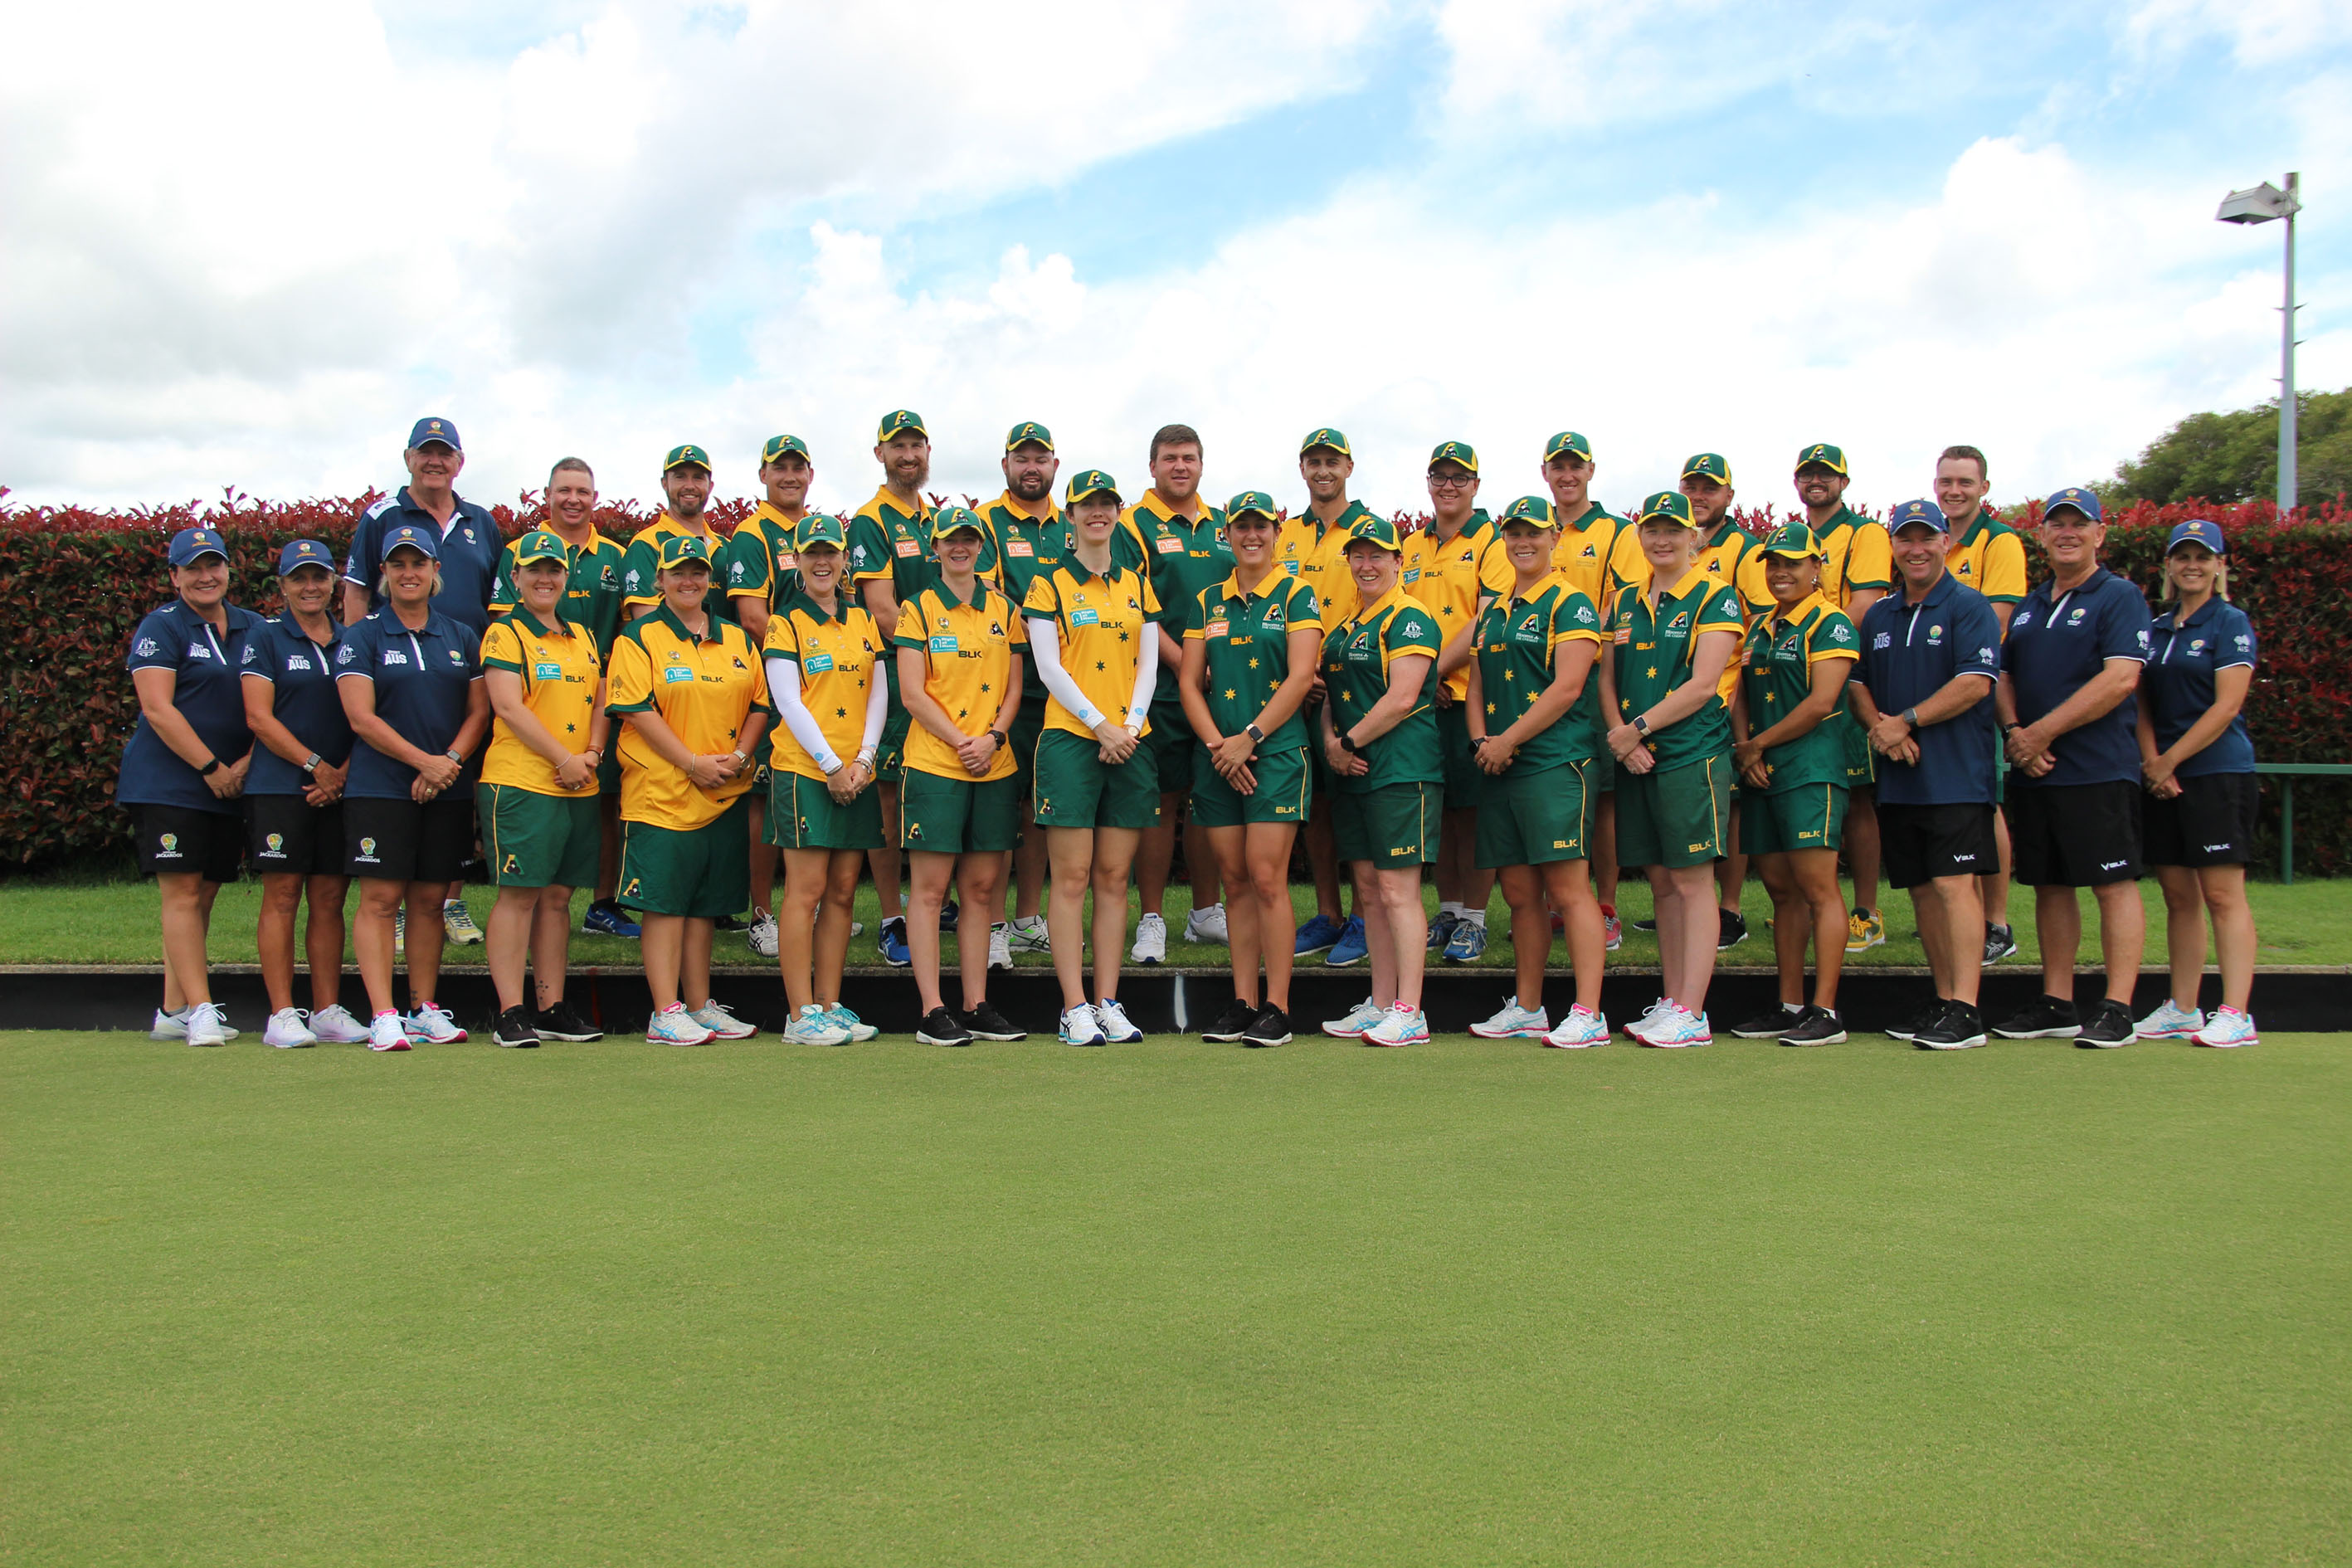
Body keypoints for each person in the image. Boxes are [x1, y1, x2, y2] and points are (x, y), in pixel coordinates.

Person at [1993, 488, 2153, 1048]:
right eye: (2056, 524)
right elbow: (2003, 674)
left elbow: (2119, 679)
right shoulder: (2033, 604)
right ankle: (2057, 1002)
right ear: (2041, 535)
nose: (2067, 532)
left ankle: (2117, 1007)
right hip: (2035, 768)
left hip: (2098, 767)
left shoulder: (2119, 596)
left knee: (2111, 885)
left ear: (2098, 534)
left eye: (2078, 524)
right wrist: (2016, 734)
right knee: (2050, 886)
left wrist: (2041, 733)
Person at [1847, 499, 2004, 1050]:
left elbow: (1975, 683)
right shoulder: (1882, 614)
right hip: (1899, 778)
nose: (1915, 548)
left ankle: (1966, 1008)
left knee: (1952, 886)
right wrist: (1881, 727)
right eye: (1904, 539)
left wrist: (1906, 721)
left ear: (1944, 543)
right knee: (1919, 890)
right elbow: (1857, 681)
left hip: (1955, 775)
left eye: (1926, 538)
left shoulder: (1968, 606)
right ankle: (1943, 1000)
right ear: (1892, 546)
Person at [342, 417, 503, 950]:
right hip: (394, 671)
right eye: (425, 453)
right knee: (402, 788)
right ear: (408, 458)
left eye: (446, 453)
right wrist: (353, 659)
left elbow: (496, 604)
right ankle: (407, 911)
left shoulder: (481, 520)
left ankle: (448, 901)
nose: (436, 462)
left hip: (464, 675)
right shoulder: (381, 516)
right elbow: (359, 593)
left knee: (456, 796)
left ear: (460, 462)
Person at [608, 534, 771, 1045]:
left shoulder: (736, 637)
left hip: (723, 789)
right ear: (660, 580)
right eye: (678, 572)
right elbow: (635, 708)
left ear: (709, 579)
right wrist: (692, 763)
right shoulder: (638, 637)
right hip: (662, 792)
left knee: (706, 904)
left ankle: (700, 1007)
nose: (689, 580)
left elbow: (759, 705)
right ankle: (664, 1010)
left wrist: (740, 757)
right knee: (666, 904)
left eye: (698, 572)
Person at [334, 523, 490, 1051]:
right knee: (381, 900)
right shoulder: (363, 635)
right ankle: (382, 1013)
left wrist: (447, 763)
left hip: (446, 787)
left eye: (418, 563)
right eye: (398, 564)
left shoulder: (459, 636)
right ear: (383, 573)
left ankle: (423, 1008)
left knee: (428, 902)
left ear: (435, 571)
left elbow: (479, 711)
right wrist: (425, 762)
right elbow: (360, 717)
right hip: (380, 789)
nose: (409, 573)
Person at [1600, 493, 1746, 1048]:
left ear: (1695, 537)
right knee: (1660, 881)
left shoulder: (1716, 596)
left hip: (1689, 752)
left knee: (1690, 881)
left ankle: (1692, 1008)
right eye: (1651, 530)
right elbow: (1607, 679)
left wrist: (1634, 730)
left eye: (1673, 530)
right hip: (1636, 754)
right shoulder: (1624, 599)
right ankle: (1671, 999)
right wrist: (1622, 738)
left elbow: (1703, 685)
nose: (1661, 539)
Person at [1463, 496, 1609, 1048]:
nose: (1523, 541)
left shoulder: (1569, 604)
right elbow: (1475, 683)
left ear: (1554, 537)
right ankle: (1527, 1007)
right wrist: (1481, 739)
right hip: (1499, 762)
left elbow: (1568, 687)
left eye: (1533, 533)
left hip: (1553, 761)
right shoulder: (1494, 608)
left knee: (1569, 890)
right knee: (1519, 892)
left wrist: (1506, 740)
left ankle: (1588, 1012)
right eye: (1513, 533)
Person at [1178, 489, 1322, 1048]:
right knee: (1233, 882)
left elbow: (1301, 675)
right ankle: (1241, 1002)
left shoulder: (1295, 593)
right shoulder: (1207, 600)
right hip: (1218, 756)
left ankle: (1277, 1007)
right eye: (1241, 527)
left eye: (1261, 526)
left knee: (1265, 878)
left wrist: (1250, 738)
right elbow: (1190, 682)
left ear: (1274, 533)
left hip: (1276, 754)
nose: (1251, 536)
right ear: (1228, 534)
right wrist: (1221, 745)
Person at [1023, 469, 1161, 1045]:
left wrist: (1127, 725)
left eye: (1106, 504)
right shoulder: (1047, 584)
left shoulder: (1136, 583)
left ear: (1116, 511)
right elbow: (1048, 667)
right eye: (1086, 505)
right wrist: (1100, 725)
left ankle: (1108, 1000)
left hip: (1130, 740)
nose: (1097, 513)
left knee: (1112, 877)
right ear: (1071, 515)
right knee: (1072, 876)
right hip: (1071, 739)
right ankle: (1072, 1006)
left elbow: (1149, 662)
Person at [851, 411, 990, 967]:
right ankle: (892, 917)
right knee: (888, 798)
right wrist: (929, 660)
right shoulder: (870, 520)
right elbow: (882, 609)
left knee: (947, 785)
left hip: (950, 682)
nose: (907, 455)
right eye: (896, 446)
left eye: (916, 445)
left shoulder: (933, 519)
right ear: (880, 454)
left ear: (928, 452)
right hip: (897, 676)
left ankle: (936, 902)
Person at [894, 508, 1030, 1046]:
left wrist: (993, 739)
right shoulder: (918, 609)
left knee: (979, 889)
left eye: (969, 540)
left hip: (993, 763)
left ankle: (975, 1004)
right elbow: (911, 692)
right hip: (935, 764)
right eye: (951, 540)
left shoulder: (1004, 609)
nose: (960, 548)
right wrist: (961, 743)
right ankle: (932, 1010)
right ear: (935, 549)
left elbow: (1015, 688)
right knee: (930, 892)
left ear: (981, 547)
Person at [120, 526, 259, 1047]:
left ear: (228, 570)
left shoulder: (251, 626)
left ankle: (173, 1008)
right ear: (174, 576)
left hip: (230, 780)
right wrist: (212, 768)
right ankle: (201, 1009)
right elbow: (158, 708)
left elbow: (267, 705)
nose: (206, 576)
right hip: (170, 783)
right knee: (180, 892)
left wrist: (243, 765)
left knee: (203, 894)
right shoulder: (162, 626)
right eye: (193, 568)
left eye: (214, 565)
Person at [489, 458, 636, 942]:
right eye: (563, 490)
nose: (573, 499)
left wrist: (593, 744)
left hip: (592, 692)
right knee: (529, 884)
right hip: (534, 700)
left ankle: (602, 904)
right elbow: (501, 634)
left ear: (595, 498)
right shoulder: (516, 553)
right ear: (546, 495)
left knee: (605, 802)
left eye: (583, 491)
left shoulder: (615, 554)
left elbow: (626, 625)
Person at [1726, 523, 1862, 1046]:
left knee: (1819, 890)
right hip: (1761, 771)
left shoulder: (1831, 623)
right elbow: (1740, 696)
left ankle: (1826, 1011)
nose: (1781, 572)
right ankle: (1788, 1005)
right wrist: (1746, 749)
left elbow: (1820, 703)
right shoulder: (1760, 625)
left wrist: (1757, 746)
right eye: (1774, 563)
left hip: (1810, 772)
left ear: (1816, 568)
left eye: (1794, 563)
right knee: (1782, 893)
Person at [477, 530, 610, 1049]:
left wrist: (592, 757)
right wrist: (564, 759)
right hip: (522, 782)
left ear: (565, 576)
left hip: (578, 782)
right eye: (534, 570)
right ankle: (510, 1012)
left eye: (553, 569)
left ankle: (551, 1006)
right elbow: (508, 707)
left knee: (558, 898)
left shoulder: (583, 635)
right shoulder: (505, 634)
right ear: (516, 578)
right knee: (520, 896)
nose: (545, 578)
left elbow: (601, 702)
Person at [758, 514, 888, 1048]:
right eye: (811, 553)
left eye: (830, 552)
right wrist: (832, 766)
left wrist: (862, 759)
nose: (821, 562)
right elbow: (788, 700)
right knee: (806, 891)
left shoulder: (862, 621)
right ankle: (798, 1012)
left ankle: (830, 1005)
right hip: (805, 771)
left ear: (844, 561)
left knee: (840, 892)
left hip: (856, 772)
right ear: (796, 560)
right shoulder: (783, 622)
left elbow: (879, 693)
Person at [1317, 514, 1444, 1047]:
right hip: (1355, 770)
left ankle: (1410, 1010)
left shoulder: (1410, 617)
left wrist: (1346, 745)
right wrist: (1330, 743)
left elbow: (1401, 697)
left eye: (1378, 555)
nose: (1367, 565)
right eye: (1358, 556)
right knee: (1369, 890)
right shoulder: (1348, 624)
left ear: (1398, 561)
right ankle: (1380, 1002)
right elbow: (1328, 696)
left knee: (1397, 890)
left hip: (1401, 769)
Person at [2135, 519, 2262, 1048]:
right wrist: (2152, 762)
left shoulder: (2230, 622)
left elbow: (2226, 705)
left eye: (2202, 557)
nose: (2192, 565)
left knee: (2221, 893)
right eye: (2182, 556)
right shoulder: (2159, 628)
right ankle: (2183, 1009)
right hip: (2163, 775)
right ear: (2168, 565)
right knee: (2178, 894)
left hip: (2216, 772)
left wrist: (2170, 762)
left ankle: (2236, 1013)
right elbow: (2141, 703)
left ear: (2218, 566)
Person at [239, 539, 367, 1048]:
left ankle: (327, 1009)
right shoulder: (264, 637)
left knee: (330, 897)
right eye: (299, 578)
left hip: (340, 787)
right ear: (283, 585)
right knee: (284, 894)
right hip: (279, 786)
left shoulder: (354, 640)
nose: (310, 587)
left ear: (334, 583)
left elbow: (368, 717)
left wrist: (343, 775)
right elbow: (258, 717)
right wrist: (317, 767)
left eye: (319, 577)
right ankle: (281, 1014)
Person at [1126, 424, 1233, 963]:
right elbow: (1138, 610)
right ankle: (1150, 919)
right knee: (1161, 804)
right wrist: (1188, 667)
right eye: (1169, 459)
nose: (1179, 467)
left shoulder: (1223, 526)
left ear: (1200, 464)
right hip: (1161, 690)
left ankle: (1204, 914)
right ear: (1152, 466)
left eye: (1189, 458)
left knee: (1207, 803)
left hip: (1221, 691)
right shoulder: (1133, 523)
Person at [1406, 441, 1512, 964]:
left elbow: (1485, 617)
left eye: (1458, 477)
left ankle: (1474, 918)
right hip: (1425, 699)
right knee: (1441, 813)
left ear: (1476, 483)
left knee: (1473, 815)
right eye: (1439, 476)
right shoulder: (1410, 545)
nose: (1448, 485)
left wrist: (1429, 672)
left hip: (1470, 694)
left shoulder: (1492, 540)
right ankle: (1447, 910)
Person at [1789, 444, 1895, 954]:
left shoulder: (1864, 533)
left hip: (1844, 674)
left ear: (1844, 482)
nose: (1816, 482)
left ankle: (1866, 911)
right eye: (1808, 474)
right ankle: (1820, 904)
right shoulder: (1798, 538)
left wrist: (1812, 647)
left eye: (1826, 475)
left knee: (1855, 797)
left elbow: (1863, 605)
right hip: (1800, 677)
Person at [1278, 429, 1380, 965]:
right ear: (1302, 469)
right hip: (1300, 688)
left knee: (1354, 801)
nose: (1323, 470)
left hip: (1353, 684)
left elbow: (1382, 596)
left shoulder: (1370, 530)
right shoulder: (1285, 534)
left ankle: (1363, 919)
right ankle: (1328, 914)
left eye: (1332, 462)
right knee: (1314, 806)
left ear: (1348, 467)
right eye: (1314, 462)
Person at [1542, 431, 1643, 948]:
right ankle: (1556, 904)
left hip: (1590, 679)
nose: (1566, 476)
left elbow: (1623, 602)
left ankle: (1604, 906)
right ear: (1545, 474)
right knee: (1546, 794)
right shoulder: (1533, 527)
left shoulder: (1615, 532)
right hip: (1538, 681)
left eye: (1574, 466)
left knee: (1600, 801)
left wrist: (1573, 641)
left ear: (1590, 471)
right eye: (1557, 467)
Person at [1934, 445, 2028, 962]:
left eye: (1965, 482)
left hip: (1974, 690)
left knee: (1984, 803)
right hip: (1934, 692)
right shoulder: (1933, 538)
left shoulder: (2001, 542)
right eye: (1946, 481)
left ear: (1984, 488)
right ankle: (1965, 919)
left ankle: (1998, 923)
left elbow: (1994, 625)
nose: (1954, 490)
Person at [726, 434, 818, 961]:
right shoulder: (752, 533)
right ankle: (763, 915)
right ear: (763, 475)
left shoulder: (819, 532)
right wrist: (800, 664)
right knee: (764, 797)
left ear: (810, 475)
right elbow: (753, 616)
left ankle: (809, 908)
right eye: (778, 467)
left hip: (826, 686)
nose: (789, 475)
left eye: (798, 467)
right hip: (776, 682)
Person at [981, 421, 1069, 969]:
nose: (1030, 466)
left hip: (1062, 693)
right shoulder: (987, 521)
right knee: (997, 810)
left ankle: (1026, 919)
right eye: (1021, 457)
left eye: (1040, 457)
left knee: (1042, 810)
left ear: (1055, 466)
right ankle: (991, 927)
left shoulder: (1071, 522)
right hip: (1004, 687)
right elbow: (989, 597)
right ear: (1006, 465)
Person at [1678, 453, 1772, 952]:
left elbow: (1762, 616)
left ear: (1729, 496)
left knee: (1729, 806)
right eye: (1692, 487)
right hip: (1680, 692)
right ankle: (1688, 905)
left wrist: (1738, 681)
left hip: (1726, 692)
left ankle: (1730, 907)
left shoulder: (1744, 548)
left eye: (1709, 488)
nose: (1699, 496)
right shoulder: (1679, 541)